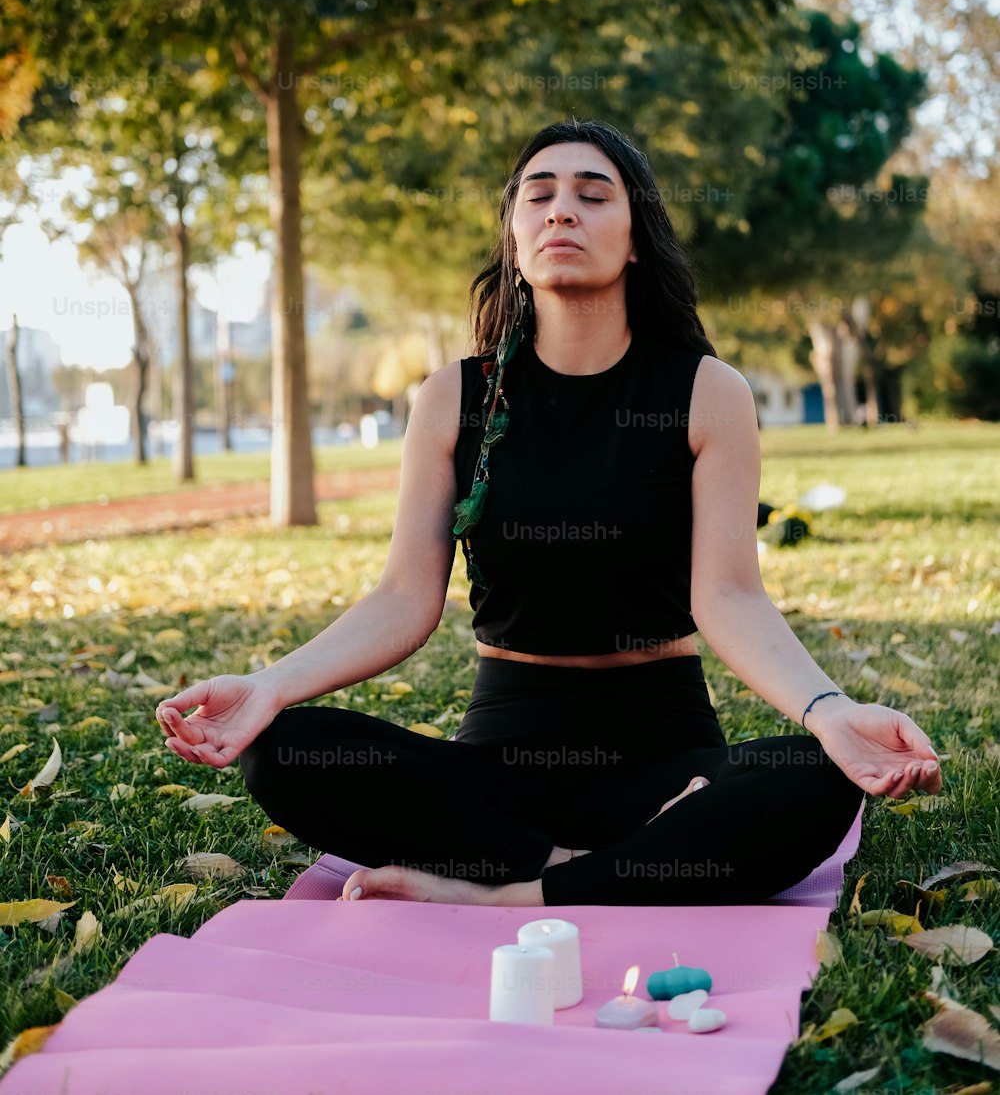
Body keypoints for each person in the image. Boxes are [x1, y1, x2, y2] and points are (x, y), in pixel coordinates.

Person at [154, 118, 941, 908]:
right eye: (540, 196)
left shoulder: (707, 393)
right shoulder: (452, 397)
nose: (562, 210)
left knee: (812, 779)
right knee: (281, 748)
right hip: (502, 769)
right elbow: (403, 599)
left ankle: (511, 892)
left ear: (636, 240)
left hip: (663, 759)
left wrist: (832, 713)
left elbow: (729, 598)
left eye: (593, 195)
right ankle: (596, 869)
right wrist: (269, 686)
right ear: (516, 238)